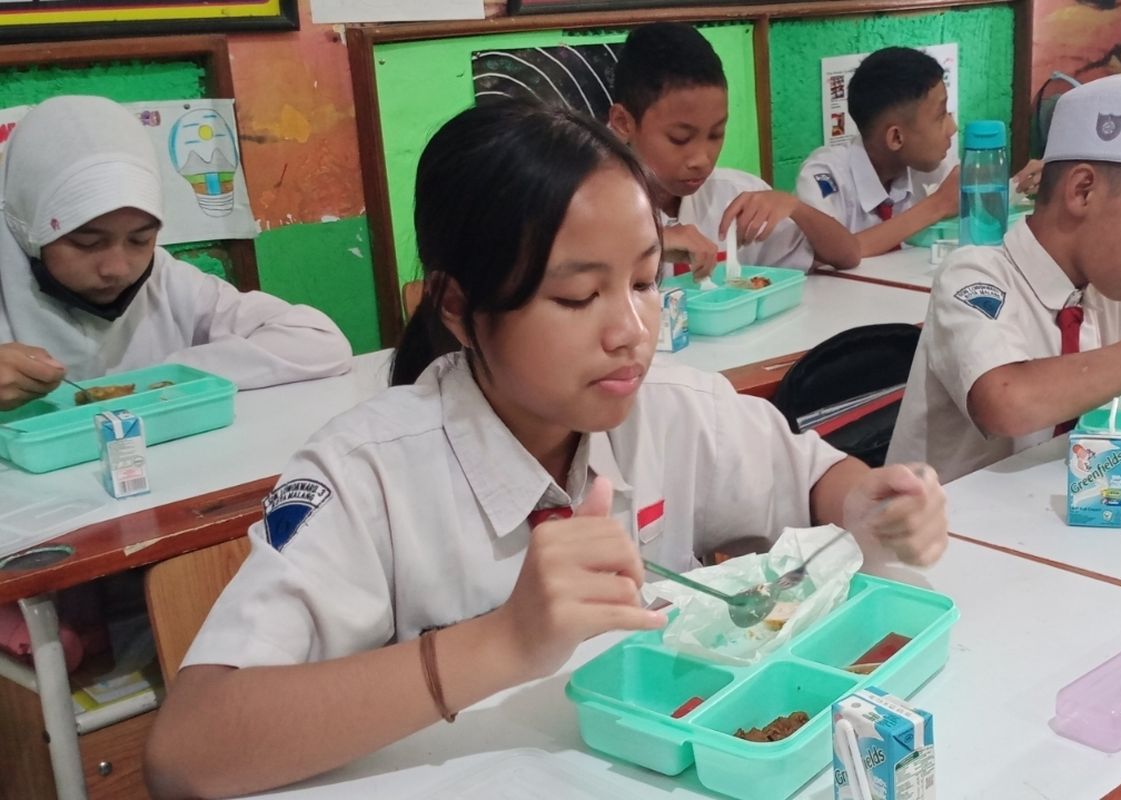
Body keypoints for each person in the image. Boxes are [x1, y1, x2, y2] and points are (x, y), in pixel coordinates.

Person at [144, 99, 946, 799]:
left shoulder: (669, 408)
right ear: (458, 304)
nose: (631, 332)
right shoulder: (367, 474)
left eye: (642, 282)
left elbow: (815, 480)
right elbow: (187, 753)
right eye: (575, 295)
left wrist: (872, 501)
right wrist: (504, 641)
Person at [887, 73, 1121, 481]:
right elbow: (1007, 402)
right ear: (1083, 191)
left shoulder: (1111, 295)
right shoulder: (974, 276)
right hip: (947, 532)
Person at [0, 95, 352, 411]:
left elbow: (319, 341)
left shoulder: (164, 281)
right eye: (87, 243)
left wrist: (166, 378)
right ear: (26, 226)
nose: (117, 269)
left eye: (140, 240)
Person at [609, 22, 859, 278]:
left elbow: (848, 255)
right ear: (623, 123)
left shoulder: (733, 195)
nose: (702, 159)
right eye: (680, 138)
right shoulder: (588, 205)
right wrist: (651, 244)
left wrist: (796, 208)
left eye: (716, 134)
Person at [796, 47, 960, 257]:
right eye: (940, 116)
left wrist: (1012, 188)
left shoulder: (929, 165)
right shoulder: (825, 176)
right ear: (896, 138)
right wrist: (937, 205)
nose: (952, 128)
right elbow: (837, 253)